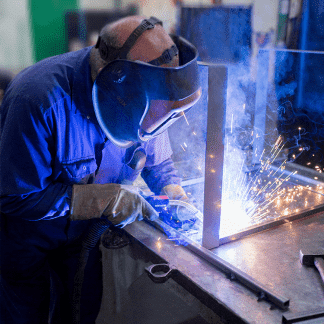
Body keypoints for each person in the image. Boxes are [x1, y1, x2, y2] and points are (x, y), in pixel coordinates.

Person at [0, 15, 201, 324]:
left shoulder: (148, 95)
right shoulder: (38, 100)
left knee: (82, 310)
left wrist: (171, 188)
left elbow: (156, 157)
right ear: (116, 85)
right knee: (26, 315)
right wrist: (102, 199)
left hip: (82, 238)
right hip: (26, 239)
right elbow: (16, 197)